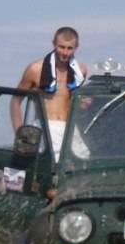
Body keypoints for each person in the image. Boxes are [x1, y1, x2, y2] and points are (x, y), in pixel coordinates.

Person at [14, 26, 88, 157]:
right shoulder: (35, 69)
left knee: (84, 160)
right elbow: (15, 101)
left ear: (76, 47)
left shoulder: (80, 70)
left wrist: (82, 103)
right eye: (61, 47)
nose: (65, 52)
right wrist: (20, 134)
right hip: (45, 128)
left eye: (69, 48)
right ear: (54, 44)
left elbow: (70, 101)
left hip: (70, 128)